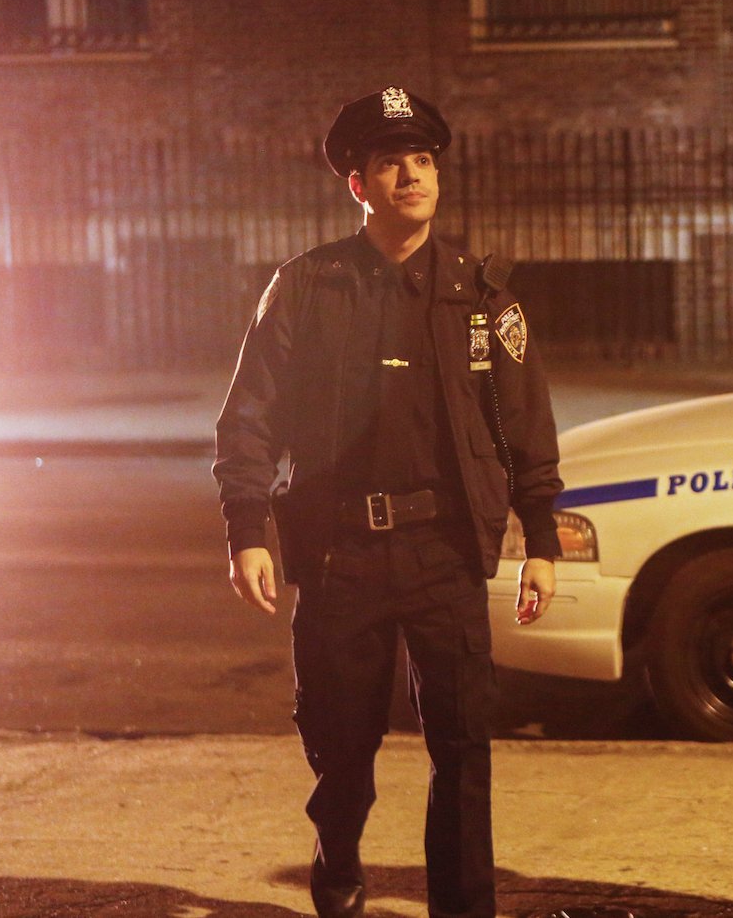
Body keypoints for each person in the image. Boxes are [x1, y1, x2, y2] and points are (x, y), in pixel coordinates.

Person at [213, 86, 563, 918]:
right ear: (358, 184)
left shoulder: (483, 297)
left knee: (464, 749)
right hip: (342, 554)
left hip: (445, 551)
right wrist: (246, 527)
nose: (412, 174)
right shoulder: (307, 288)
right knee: (342, 749)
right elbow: (250, 413)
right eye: (390, 162)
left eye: (424, 160)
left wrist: (541, 537)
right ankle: (337, 855)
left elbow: (526, 423)